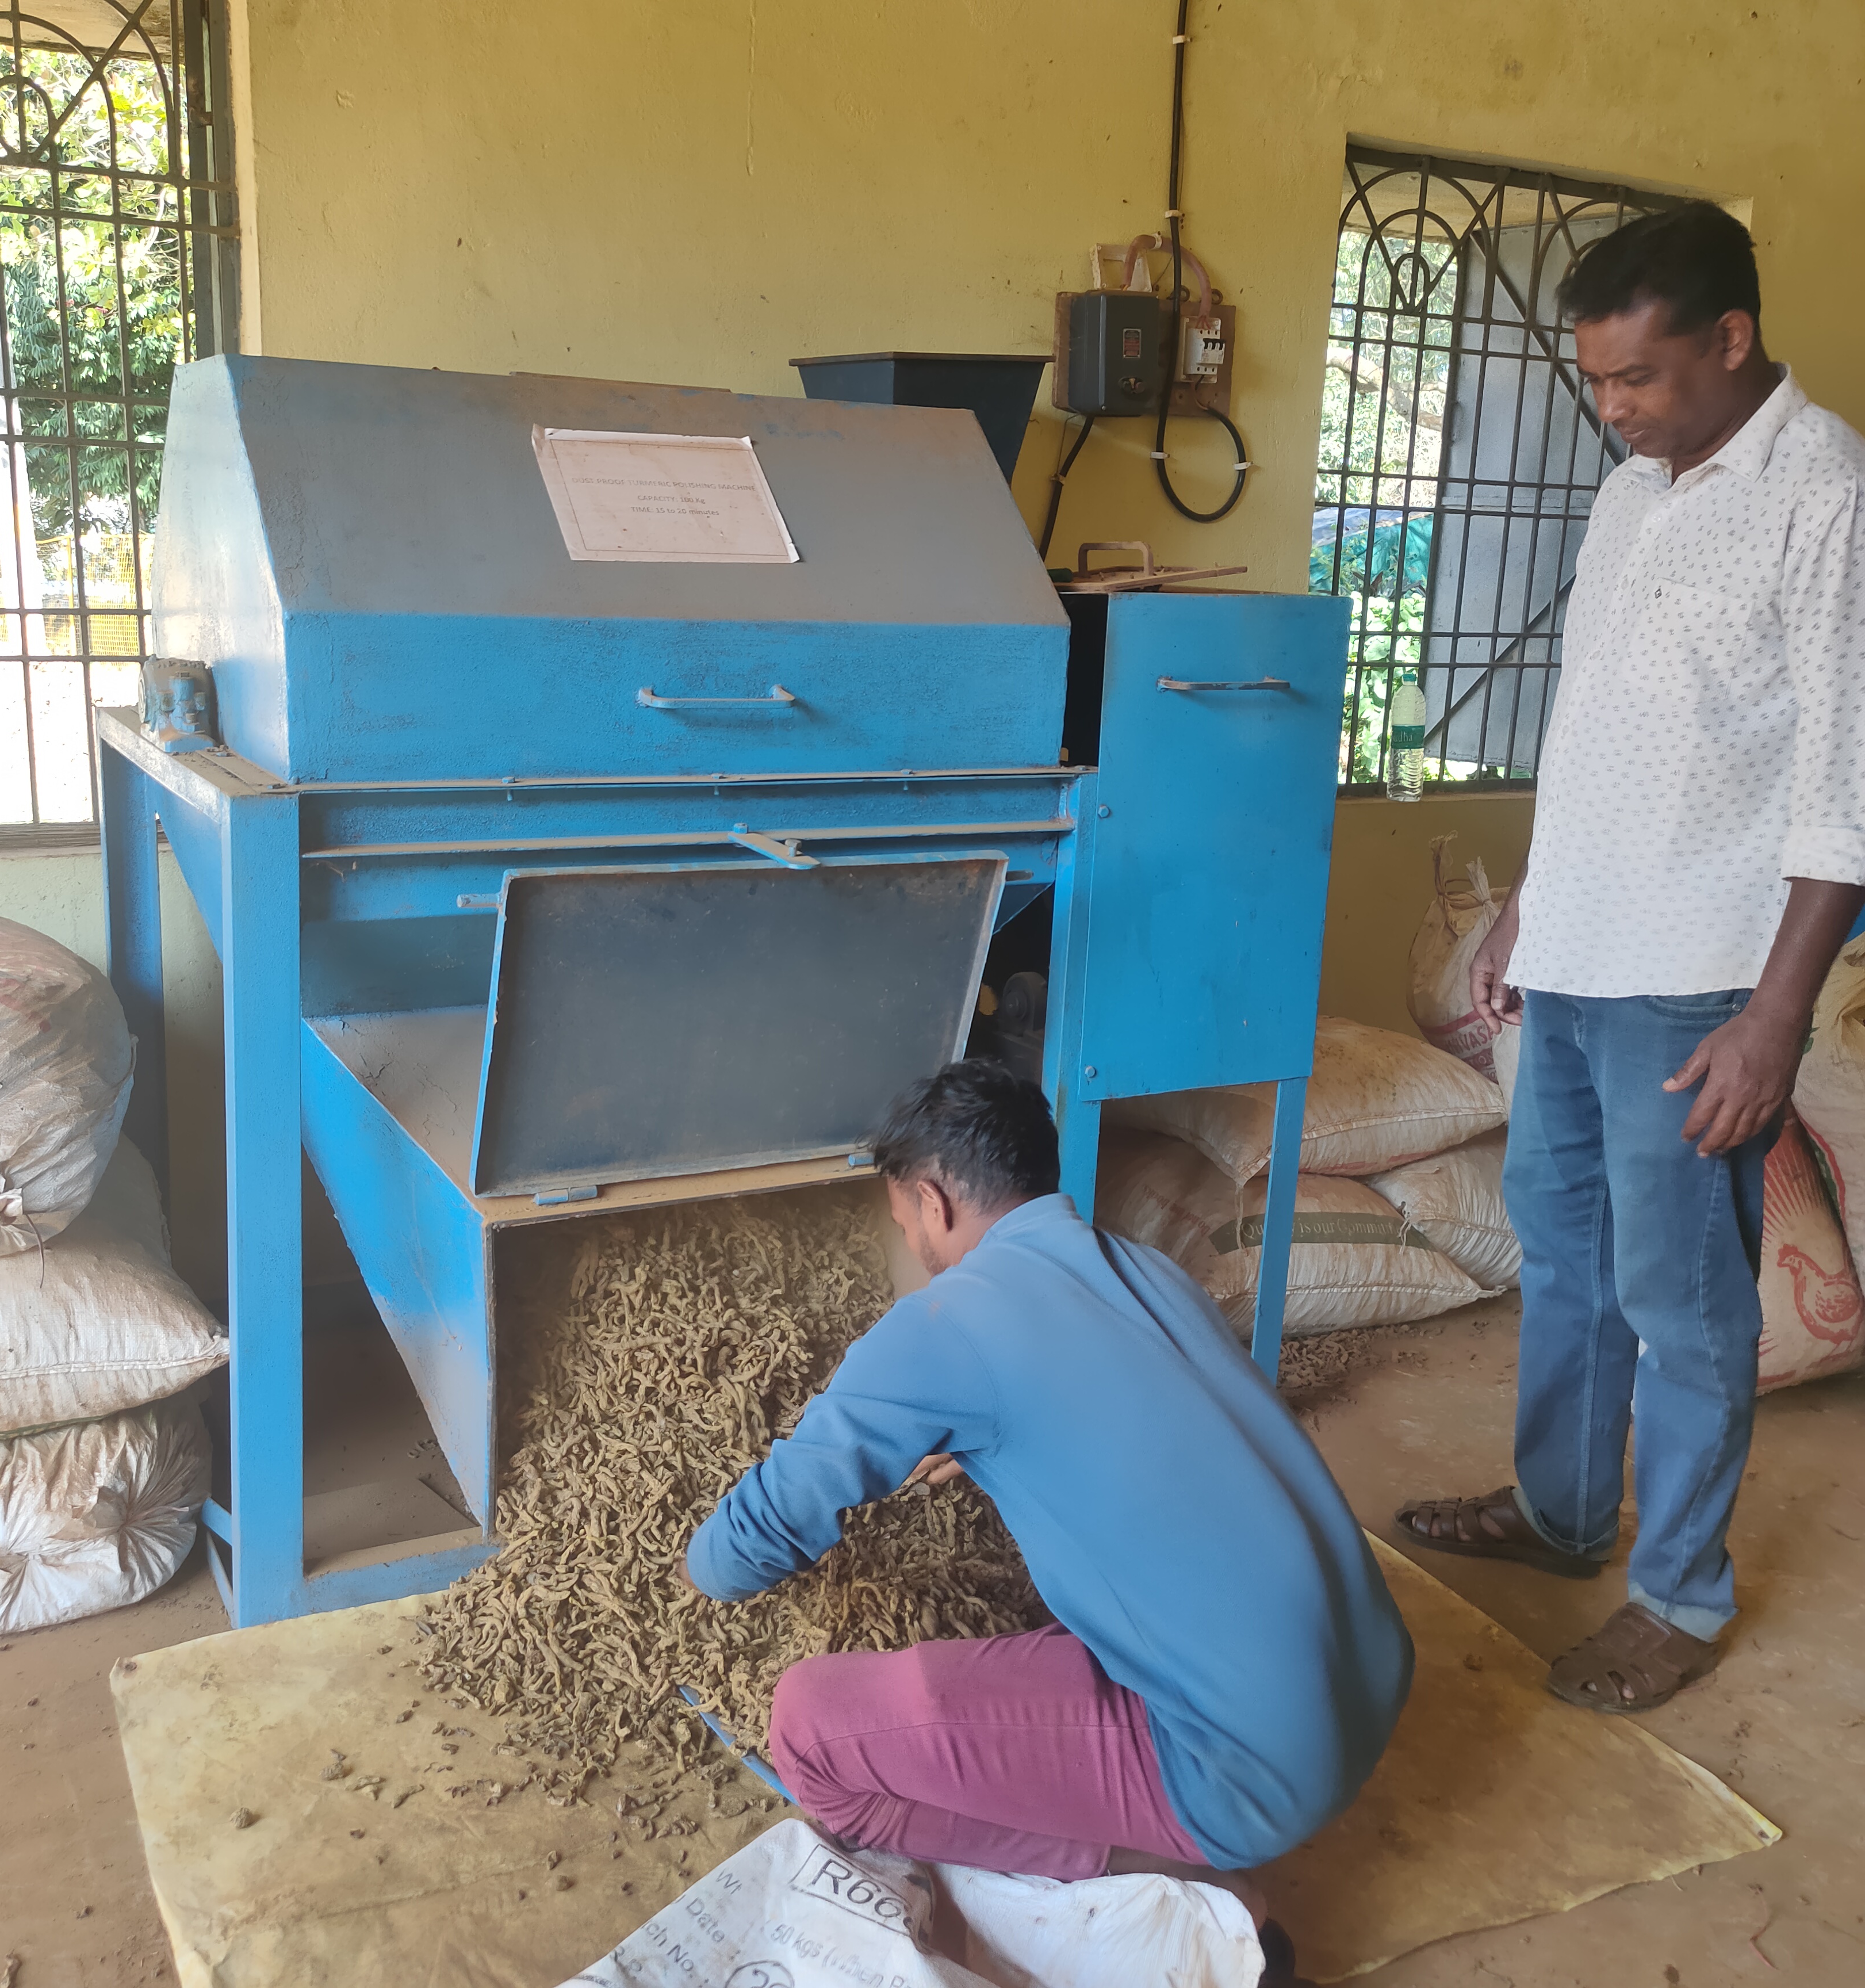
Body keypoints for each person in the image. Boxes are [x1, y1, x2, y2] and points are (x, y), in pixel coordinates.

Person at [1396, 202, 1865, 1712]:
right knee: (1566, 1256)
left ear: (1733, 340)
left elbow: (1848, 788)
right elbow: (1593, 723)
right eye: (1596, 379)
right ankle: (1559, 1515)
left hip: (1699, 976)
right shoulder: (1629, 494)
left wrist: (1775, 1018)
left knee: (1683, 1301)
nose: (1613, 406)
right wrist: (1533, 904)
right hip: (1582, 950)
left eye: (1639, 377)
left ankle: (1678, 1596)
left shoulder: (1826, 495)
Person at [683, 1058, 1412, 1972]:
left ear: (933, 1201)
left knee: (809, 1729)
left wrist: (690, 1566)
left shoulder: (946, 1323)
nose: (912, 1242)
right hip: (1364, 1691)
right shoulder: (1144, 1269)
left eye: (905, 1222)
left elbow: (747, 1543)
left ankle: (1189, 1889)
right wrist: (976, 1439)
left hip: (1242, 1772)